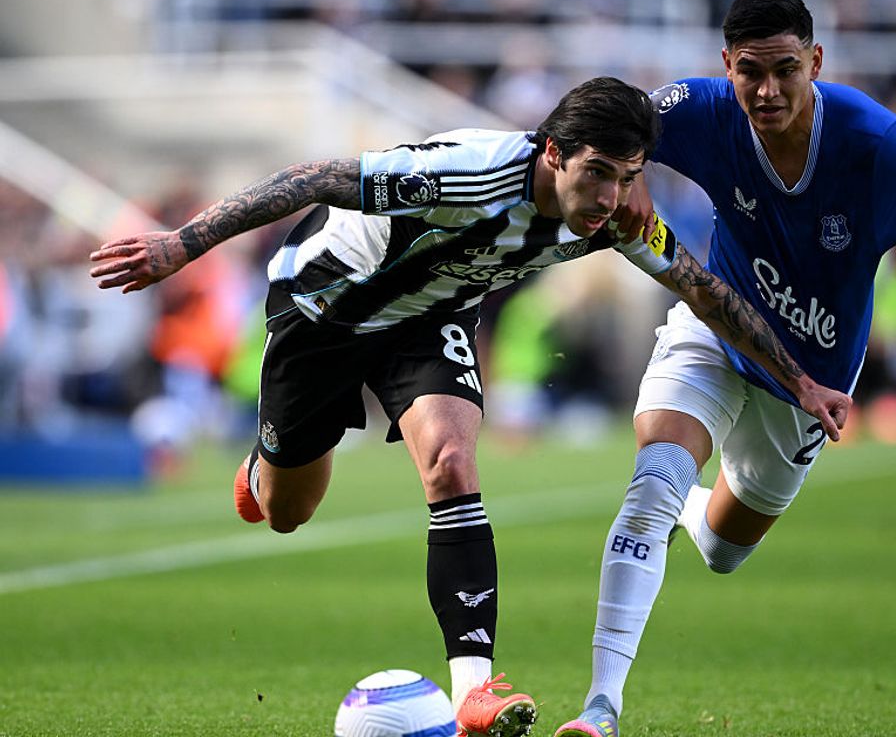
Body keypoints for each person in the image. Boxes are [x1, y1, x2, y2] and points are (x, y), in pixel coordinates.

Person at [88, 76, 850, 737]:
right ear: (553, 153)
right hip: (325, 310)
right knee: (287, 510)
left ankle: (474, 692)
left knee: (452, 463)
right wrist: (182, 245)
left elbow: (704, 292)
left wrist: (801, 381)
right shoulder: (468, 173)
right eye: (597, 174)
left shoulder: (616, 217)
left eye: (627, 176)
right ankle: (265, 466)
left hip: (430, 319)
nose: (610, 197)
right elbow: (313, 178)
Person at [555, 0, 896, 737]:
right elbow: (599, 128)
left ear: (816, 62)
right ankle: (600, 708)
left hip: (814, 380)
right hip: (715, 330)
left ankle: (691, 507)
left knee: (723, 550)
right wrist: (627, 181)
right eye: (750, 72)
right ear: (727, 65)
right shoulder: (695, 109)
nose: (767, 91)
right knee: (651, 484)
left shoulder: (876, 144)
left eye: (786, 70)